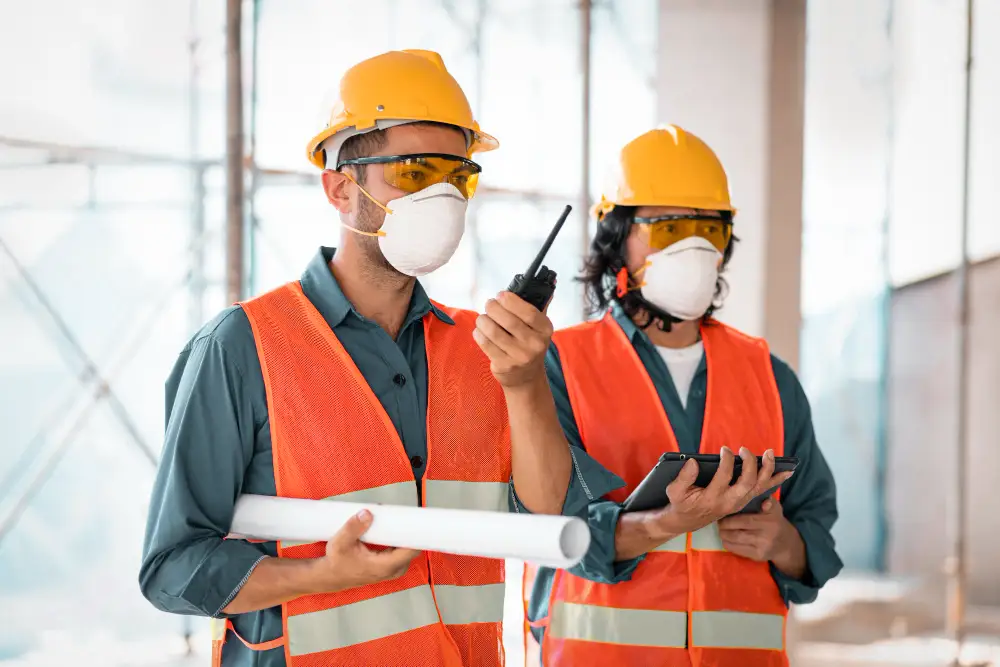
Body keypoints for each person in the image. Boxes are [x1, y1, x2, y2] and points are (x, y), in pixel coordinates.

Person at [140, 49, 606, 667]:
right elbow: (171, 566)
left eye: (456, 176)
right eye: (414, 173)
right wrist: (317, 576)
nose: (442, 196)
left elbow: (549, 517)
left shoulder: (489, 352)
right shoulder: (241, 346)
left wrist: (522, 382)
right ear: (339, 187)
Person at [523, 126, 843, 667]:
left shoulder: (770, 375)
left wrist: (784, 543)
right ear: (617, 236)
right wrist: (662, 525)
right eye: (669, 228)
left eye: (708, 229)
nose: (692, 247)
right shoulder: (555, 365)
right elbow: (554, 525)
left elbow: (815, 524)